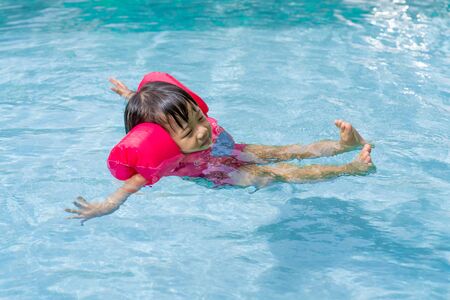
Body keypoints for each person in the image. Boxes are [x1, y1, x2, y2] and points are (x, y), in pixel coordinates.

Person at [66, 75, 374, 224]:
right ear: (164, 142)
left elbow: (159, 111)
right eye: (190, 131)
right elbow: (130, 184)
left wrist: (129, 94)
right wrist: (106, 205)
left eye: (200, 117)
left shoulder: (187, 124)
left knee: (283, 150)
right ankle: (351, 169)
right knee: (274, 173)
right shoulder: (167, 160)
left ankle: (342, 145)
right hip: (220, 173)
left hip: (230, 148)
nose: (202, 131)